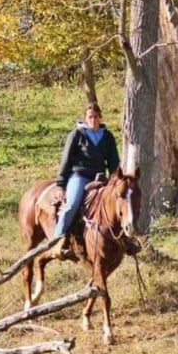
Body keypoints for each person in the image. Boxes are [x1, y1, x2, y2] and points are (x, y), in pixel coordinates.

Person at [51, 102, 121, 259]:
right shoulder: (77, 135)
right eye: (90, 117)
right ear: (85, 118)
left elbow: (113, 162)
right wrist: (61, 184)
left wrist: (114, 179)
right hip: (80, 176)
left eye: (96, 117)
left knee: (117, 202)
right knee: (72, 204)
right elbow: (66, 160)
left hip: (99, 178)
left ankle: (123, 238)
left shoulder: (107, 136)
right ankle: (58, 240)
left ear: (100, 117)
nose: (93, 120)